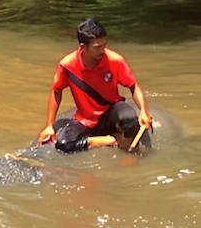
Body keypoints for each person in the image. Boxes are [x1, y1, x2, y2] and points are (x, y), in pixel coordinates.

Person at [38, 18, 153, 153]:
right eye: (97, 47)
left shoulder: (115, 60)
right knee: (63, 145)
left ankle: (128, 150)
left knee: (129, 118)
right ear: (83, 47)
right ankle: (103, 141)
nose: (102, 50)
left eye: (104, 45)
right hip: (85, 118)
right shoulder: (67, 66)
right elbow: (56, 91)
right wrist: (49, 125)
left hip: (111, 111)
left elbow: (134, 87)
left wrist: (144, 110)